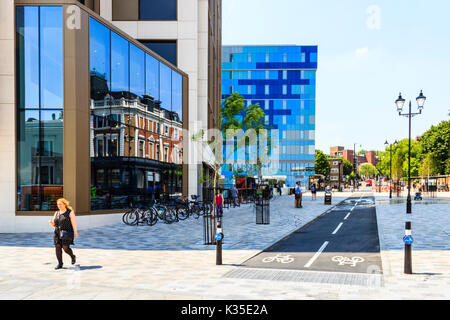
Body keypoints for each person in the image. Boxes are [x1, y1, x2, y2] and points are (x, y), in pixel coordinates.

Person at [49, 198, 78, 270]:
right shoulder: (56, 213)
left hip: (67, 232)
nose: (59, 206)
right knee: (57, 247)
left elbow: (74, 223)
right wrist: (51, 223)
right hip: (57, 233)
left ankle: (72, 256)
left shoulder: (70, 212)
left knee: (65, 248)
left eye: (60, 204)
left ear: (65, 204)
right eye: (58, 205)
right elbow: (54, 224)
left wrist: (75, 232)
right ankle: (60, 263)